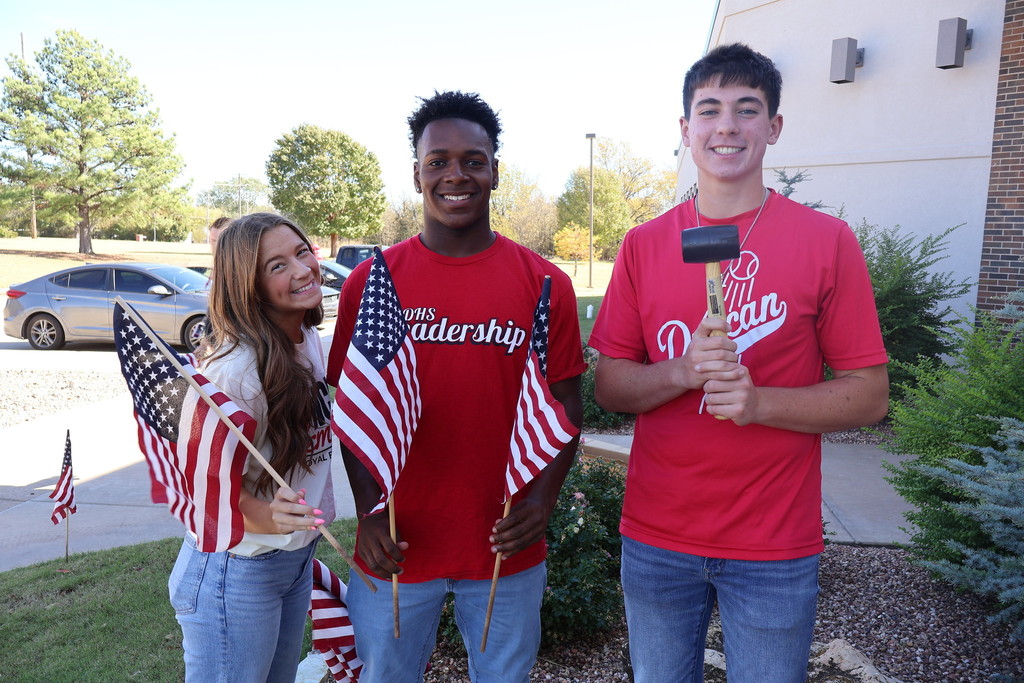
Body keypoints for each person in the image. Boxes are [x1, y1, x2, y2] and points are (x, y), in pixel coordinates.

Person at [588, 44, 889, 682]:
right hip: (658, 537)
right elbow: (610, 385)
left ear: (773, 128)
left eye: (747, 110)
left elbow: (869, 395)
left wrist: (760, 403)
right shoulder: (644, 245)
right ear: (686, 130)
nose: (727, 125)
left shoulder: (826, 241)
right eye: (710, 109)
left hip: (774, 545)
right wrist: (681, 371)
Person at [326, 91, 586, 682]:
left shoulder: (545, 284)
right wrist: (370, 512)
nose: (456, 175)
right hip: (394, 544)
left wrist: (542, 501)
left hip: (504, 546)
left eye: (473, 159)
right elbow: (355, 409)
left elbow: (566, 406)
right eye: (438, 161)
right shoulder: (371, 284)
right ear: (416, 174)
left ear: (496, 171)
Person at [168, 212, 335, 681]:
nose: (302, 270)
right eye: (277, 266)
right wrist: (267, 514)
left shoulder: (305, 338)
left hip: (292, 558)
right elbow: (202, 485)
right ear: (249, 286)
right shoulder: (235, 372)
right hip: (235, 570)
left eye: (302, 252)